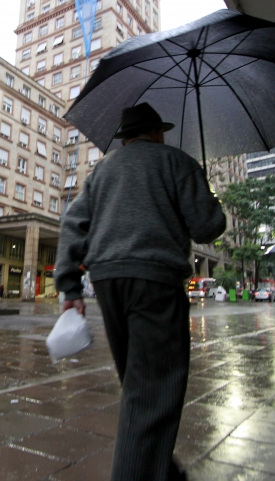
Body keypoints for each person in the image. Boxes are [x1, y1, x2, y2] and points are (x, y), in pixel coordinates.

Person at [55, 103, 226, 481]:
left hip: (107, 280)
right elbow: (207, 227)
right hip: (155, 279)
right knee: (152, 391)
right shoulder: (177, 162)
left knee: (140, 384)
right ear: (158, 132)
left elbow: (73, 223)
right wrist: (207, 192)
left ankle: (161, 469)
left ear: (125, 138)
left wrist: (69, 286)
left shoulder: (102, 171)